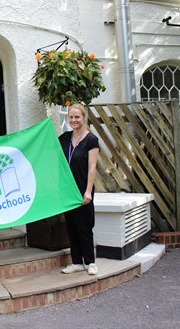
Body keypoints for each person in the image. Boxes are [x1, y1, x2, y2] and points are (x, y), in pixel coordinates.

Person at [58, 104, 100, 275]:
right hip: (68, 190)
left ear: (84, 118)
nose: (74, 120)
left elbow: (92, 167)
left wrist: (88, 191)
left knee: (84, 226)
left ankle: (90, 262)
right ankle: (76, 262)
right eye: (71, 117)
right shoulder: (64, 138)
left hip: (83, 189)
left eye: (77, 117)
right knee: (72, 226)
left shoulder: (91, 140)